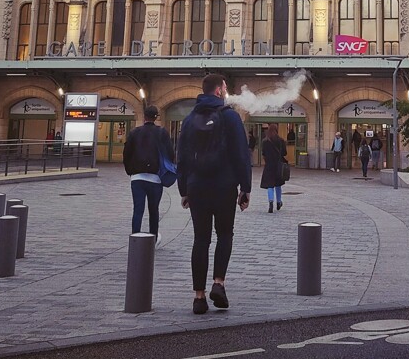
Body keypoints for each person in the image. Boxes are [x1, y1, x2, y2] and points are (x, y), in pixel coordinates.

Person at [177, 73, 251, 315]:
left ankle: (198, 297)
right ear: (219, 91)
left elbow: (182, 157)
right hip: (223, 186)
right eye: (226, 88)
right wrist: (245, 187)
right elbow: (241, 153)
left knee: (201, 239)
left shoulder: (190, 119)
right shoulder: (229, 116)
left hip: (197, 186)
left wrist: (184, 189)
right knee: (225, 234)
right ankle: (218, 283)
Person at [123, 103, 174, 236]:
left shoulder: (134, 132)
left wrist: (130, 171)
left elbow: (127, 153)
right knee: (154, 210)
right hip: (155, 178)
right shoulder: (162, 133)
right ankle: (153, 238)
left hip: (137, 178)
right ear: (156, 117)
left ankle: (135, 238)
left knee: (138, 210)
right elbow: (170, 154)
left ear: (144, 116)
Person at [260, 123, 287, 213]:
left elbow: (263, 153)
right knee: (278, 184)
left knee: (270, 185)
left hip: (269, 165)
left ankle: (271, 202)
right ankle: (279, 202)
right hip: (278, 165)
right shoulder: (281, 140)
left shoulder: (265, 141)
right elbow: (284, 153)